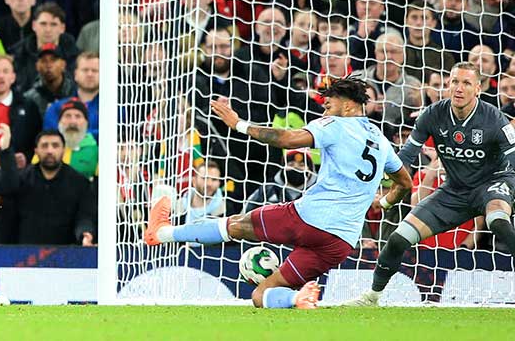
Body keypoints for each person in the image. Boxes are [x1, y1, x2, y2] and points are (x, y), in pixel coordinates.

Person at [146, 77, 412, 309]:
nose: (325, 108)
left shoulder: (334, 125)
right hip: (341, 242)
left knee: (237, 225)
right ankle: (296, 300)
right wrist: (385, 202)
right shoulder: (380, 139)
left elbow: (286, 139)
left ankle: (162, 233)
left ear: (349, 104)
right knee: (261, 295)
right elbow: (405, 183)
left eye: (329, 104)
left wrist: (239, 124)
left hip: (311, 219)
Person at [345, 63, 515, 306]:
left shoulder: (493, 118)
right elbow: (406, 156)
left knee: (498, 221)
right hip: (454, 192)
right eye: (454, 81)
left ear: (478, 88)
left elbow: (513, 156)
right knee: (399, 238)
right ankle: (372, 296)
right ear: (448, 85)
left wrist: (508, 186)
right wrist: (381, 186)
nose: (459, 88)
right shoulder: (432, 115)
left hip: (491, 185)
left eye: (466, 83)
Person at [4, 129, 96, 245]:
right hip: (25, 254)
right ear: (36, 150)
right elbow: (7, 220)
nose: (50, 150)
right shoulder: (20, 180)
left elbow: (85, 215)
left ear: (63, 150)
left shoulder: (80, 183)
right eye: (44, 146)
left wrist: (85, 233)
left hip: (67, 254)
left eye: (55, 146)